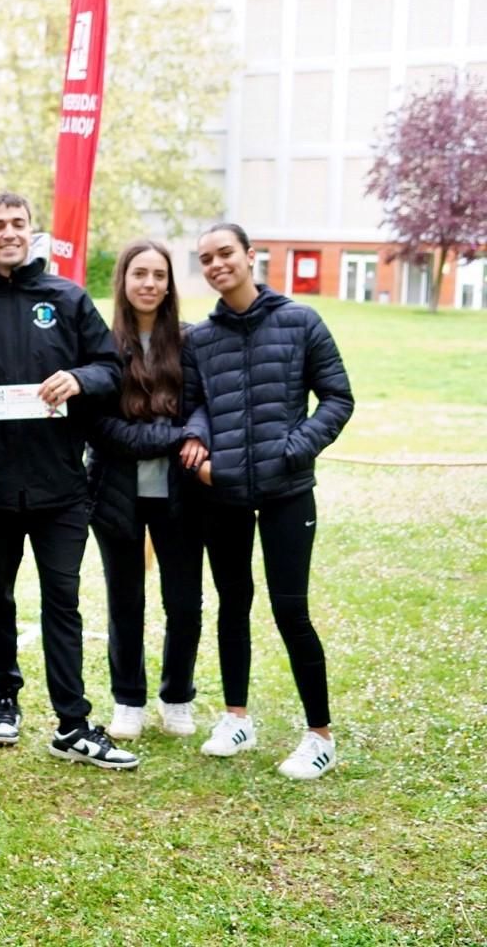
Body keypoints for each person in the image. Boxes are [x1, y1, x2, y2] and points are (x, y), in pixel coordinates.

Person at [0, 192, 137, 769]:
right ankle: (4, 699)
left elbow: (111, 368)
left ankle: (72, 724)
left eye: (17, 223)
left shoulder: (67, 298)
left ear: (33, 232)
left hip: (60, 486)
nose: (8, 232)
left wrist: (78, 378)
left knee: (63, 599)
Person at [181, 223, 354, 780]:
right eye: (206, 258)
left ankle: (320, 735)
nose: (216, 265)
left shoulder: (300, 322)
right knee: (232, 603)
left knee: (290, 610)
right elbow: (196, 405)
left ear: (250, 256)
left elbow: (337, 398)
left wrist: (292, 450)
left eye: (225, 253)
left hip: (287, 492)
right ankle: (236, 718)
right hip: (223, 491)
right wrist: (199, 448)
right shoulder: (200, 340)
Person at [86, 240, 205, 741]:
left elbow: (203, 405)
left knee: (183, 603)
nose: (150, 283)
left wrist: (194, 430)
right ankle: (128, 700)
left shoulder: (190, 340)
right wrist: (177, 434)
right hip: (117, 491)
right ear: (124, 281)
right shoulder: (101, 343)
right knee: (125, 600)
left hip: (181, 492)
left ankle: (176, 696)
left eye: (159, 274)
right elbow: (103, 428)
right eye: (140, 274)